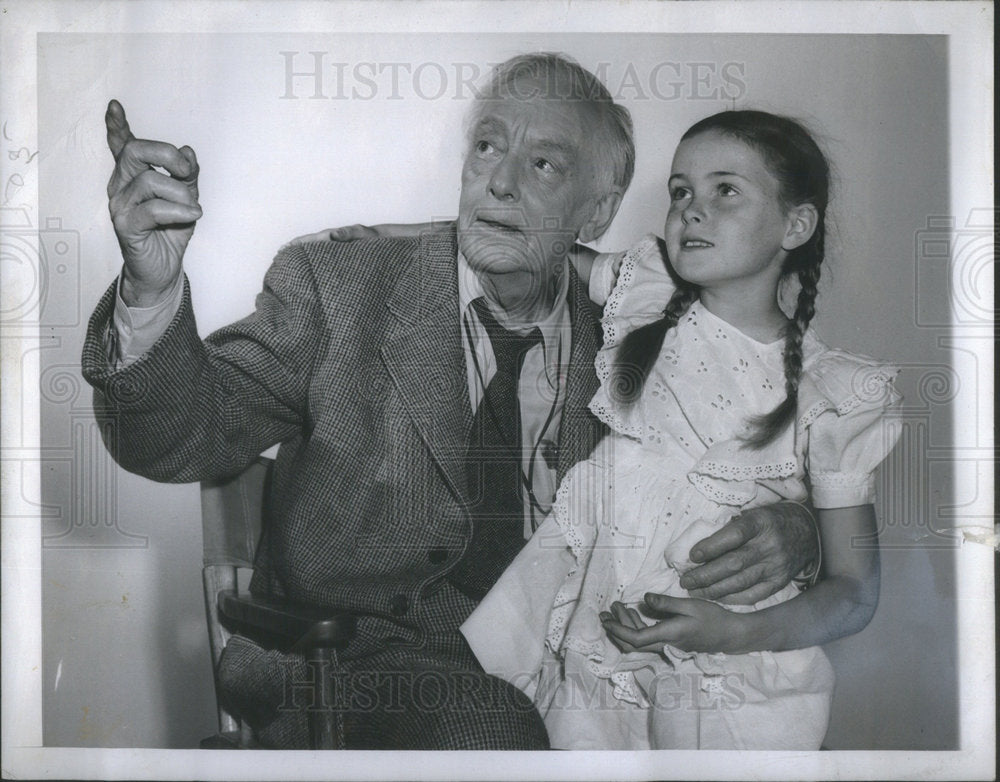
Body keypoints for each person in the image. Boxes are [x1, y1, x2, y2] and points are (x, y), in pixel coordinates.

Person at [81, 54, 820, 749]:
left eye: (543, 164)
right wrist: (150, 290)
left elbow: (724, 466)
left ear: (597, 213)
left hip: (577, 674)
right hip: (349, 663)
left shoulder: (644, 337)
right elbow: (182, 438)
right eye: (488, 148)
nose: (499, 183)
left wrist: (799, 532)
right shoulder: (338, 287)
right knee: (491, 730)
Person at [459, 110, 902, 749]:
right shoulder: (648, 294)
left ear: (795, 225)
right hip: (597, 640)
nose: (692, 209)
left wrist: (732, 633)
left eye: (726, 190)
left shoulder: (833, 392)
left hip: (732, 670)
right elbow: (523, 245)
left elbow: (854, 594)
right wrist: (382, 233)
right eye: (680, 191)